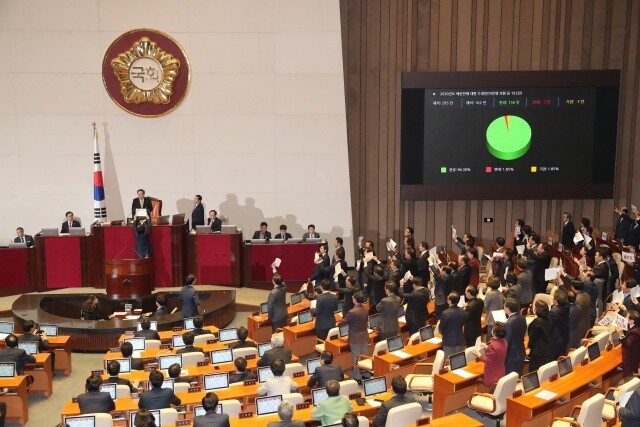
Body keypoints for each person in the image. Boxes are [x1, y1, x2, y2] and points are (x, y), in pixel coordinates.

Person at [337, 291, 369, 382]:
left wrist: (338, 323)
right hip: (364, 336)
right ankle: (365, 374)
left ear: (355, 300)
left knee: (356, 358)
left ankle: (358, 378)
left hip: (355, 338)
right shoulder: (366, 309)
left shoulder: (352, 312)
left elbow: (344, 321)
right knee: (364, 356)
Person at [474, 322, 507, 388]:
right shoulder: (504, 342)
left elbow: (488, 360)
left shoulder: (493, 345)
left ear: (494, 332)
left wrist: (478, 354)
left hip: (492, 375)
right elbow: (497, 352)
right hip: (501, 372)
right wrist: (487, 346)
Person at [527, 300, 552, 372]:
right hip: (546, 348)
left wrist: (529, 347)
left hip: (537, 351)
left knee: (534, 372)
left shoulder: (536, 322)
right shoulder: (549, 319)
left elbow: (532, 337)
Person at [504, 297, 527, 375]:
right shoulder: (522, 318)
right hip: (521, 351)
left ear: (508, 309)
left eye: (504, 306)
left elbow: (506, 341)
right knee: (518, 375)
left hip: (511, 355)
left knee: (510, 377)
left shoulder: (509, 323)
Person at [440, 292, 466, 358]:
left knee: (449, 361)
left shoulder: (445, 313)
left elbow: (441, 328)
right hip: (460, 339)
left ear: (450, 300)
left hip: (448, 341)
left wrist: (444, 334)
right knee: (459, 361)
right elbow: (463, 323)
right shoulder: (463, 311)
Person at [549, 289, 570, 360]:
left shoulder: (553, 312)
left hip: (555, 339)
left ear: (556, 300)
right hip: (564, 336)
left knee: (553, 361)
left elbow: (549, 326)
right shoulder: (567, 307)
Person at [620, 310, 640, 380]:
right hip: (634, 353)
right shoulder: (634, 327)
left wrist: (621, 334)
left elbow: (627, 344)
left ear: (632, 321)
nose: (625, 319)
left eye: (627, 318)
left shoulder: (634, 332)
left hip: (631, 357)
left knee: (630, 375)